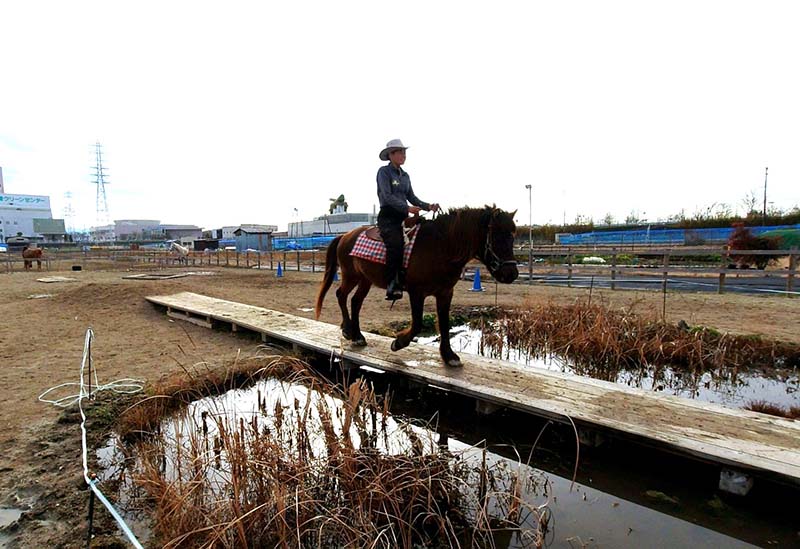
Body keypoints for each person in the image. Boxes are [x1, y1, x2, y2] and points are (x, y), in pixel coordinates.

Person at [376, 138, 440, 301]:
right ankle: (392, 284)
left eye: (404, 152)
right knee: (396, 244)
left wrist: (428, 206)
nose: (403, 155)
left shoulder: (405, 176)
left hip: (404, 217)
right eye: (400, 152)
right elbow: (387, 196)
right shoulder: (384, 172)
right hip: (388, 218)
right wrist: (407, 208)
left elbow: (411, 197)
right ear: (391, 155)